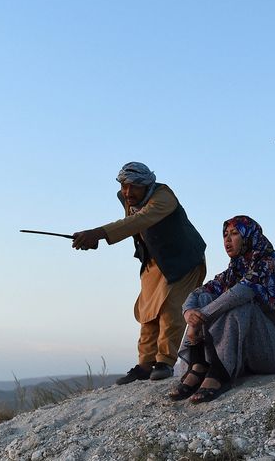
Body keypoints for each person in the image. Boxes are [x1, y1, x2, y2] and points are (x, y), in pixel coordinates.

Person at [72, 162, 206, 384]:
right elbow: (132, 226)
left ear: (146, 185)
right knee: (147, 311)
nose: (127, 192)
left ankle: (164, 361)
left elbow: (138, 220)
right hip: (154, 261)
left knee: (170, 309)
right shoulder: (128, 199)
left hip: (184, 260)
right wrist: (96, 240)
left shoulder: (164, 197)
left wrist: (98, 233)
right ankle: (145, 364)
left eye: (133, 187)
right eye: (124, 186)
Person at [168, 215, 275, 404]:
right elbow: (199, 292)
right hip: (254, 351)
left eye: (234, 233)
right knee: (206, 297)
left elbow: (241, 293)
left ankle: (219, 373)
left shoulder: (268, 262)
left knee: (240, 303)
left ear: (249, 237)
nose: (227, 240)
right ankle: (199, 365)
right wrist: (189, 313)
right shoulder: (235, 270)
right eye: (225, 235)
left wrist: (198, 321)